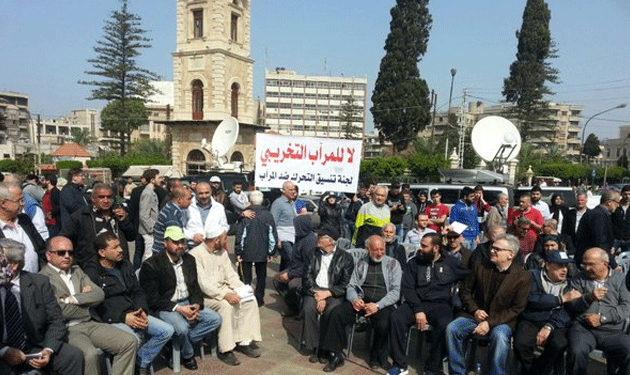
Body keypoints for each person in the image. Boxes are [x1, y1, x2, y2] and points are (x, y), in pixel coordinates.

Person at [40, 236, 138, 375]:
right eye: (61, 253)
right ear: (49, 255)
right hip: (68, 328)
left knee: (129, 342)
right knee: (89, 355)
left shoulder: (77, 271)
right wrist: (87, 302)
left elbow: (99, 294)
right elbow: (59, 311)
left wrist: (71, 299)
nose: (67, 256)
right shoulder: (43, 278)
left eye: (70, 252)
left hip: (90, 322)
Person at [89, 232, 174, 374]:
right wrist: (123, 317)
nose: (121, 250)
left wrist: (142, 309)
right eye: (115, 247)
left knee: (166, 331)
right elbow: (98, 306)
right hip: (113, 319)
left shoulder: (125, 265)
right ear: (102, 252)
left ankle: (140, 362)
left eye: (120, 246)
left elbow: (137, 291)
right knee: (133, 338)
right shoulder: (93, 273)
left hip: (134, 311)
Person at [446, 234, 531, 375]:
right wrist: (475, 310)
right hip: (476, 316)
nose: (492, 251)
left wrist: (489, 323)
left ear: (510, 255)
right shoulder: (481, 266)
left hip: (502, 321)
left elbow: (517, 309)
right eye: (492, 247)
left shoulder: (522, 277)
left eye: (497, 249)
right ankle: (457, 372)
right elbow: (465, 291)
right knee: (452, 329)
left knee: (500, 337)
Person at [139, 226, 221, 371]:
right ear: (165, 243)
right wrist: (179, 309)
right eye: (176, 242)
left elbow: (195, 288)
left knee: (215, 319)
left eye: (182, 242)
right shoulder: (152, 265)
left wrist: (196, 305)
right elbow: (152, 299)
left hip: (187, 301)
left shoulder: (189, 260)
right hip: (166, 306)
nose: (180, 246)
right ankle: (188, 355)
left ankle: (174, 346)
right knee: (181, 328)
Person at [388, 233, 469, 375]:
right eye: (421, 244)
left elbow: (469, 276)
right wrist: (418, 310)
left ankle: (432, 367)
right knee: (396, 317)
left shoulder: (451, 263)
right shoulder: (414, 262)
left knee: (445, 324)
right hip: (416, 302)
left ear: (436, 248)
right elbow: (408, 288)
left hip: (440, 304)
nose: (420, 248)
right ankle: (399, 364)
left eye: (424, 246)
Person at [0, 238, 84, 375]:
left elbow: (56, 320)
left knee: (73, 356)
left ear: (13, 265)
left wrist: (48, 350)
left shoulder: (39, 283)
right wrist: (4, 351)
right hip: (3, 349)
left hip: (33, 346)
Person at [319, 235, 402, 372]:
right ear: (367, 249)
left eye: (382, 249)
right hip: (362, 301)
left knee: (385, 323)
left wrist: (377, 305)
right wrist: (354, 299)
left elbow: (395, 292)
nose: (379, 252)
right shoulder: (360, 263)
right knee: (336, 314)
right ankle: (336, 354)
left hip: (382, 303)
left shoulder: (393, 264)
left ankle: (376, 355)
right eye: (375, 250)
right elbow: (351, 285)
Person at [190, 226, 263, 366]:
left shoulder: (221, 253)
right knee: (225, 305)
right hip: (205, 296)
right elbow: (203, 284)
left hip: (224, 289)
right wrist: (225, 295)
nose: (226, 241)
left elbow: (231, 275)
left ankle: (244, 341)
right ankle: (226, 349)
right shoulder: (196, 254)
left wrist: (242, 289)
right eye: (224, 238)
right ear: (216, 240)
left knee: (249, 301)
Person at [514, 250, 580, 375]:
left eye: (566, 266)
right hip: (531, 319)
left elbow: (569, 311)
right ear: (547, 265)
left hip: (556, 323)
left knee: (559, 344)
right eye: (560, 266)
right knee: (521, 344)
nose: (564, 270)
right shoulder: (532, 276)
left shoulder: (571, 283)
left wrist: (549, 326)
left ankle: (536, 371)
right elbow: (531, 299)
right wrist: (561, 299)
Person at [566, 247, 630, 375]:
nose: (586, 268)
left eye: (591, 264)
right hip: (583, 328)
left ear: (605, 264)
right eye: (584, 264)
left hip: (611, 330)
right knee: (577, 351)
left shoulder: (620, 279)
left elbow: (626, 306)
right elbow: (571, 305)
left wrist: (603, 319)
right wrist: (587, 299)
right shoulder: (579, 279)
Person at [302, 229, 354, 363]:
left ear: (330, 241)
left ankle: (326, 348)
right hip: (314, 291)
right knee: (308, 308)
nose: (317, 241)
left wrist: (327, 294)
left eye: (321, 239)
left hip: (333, 292)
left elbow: (345, 283)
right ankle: (315, 347)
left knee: (331, 311)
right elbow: (306, 278)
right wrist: (317, 294)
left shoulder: (345, 257)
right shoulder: (312, 254)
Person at [61, 183, 135, 272]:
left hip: (119, 267)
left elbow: (131, 236)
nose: (105, 200)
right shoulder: (81, 216)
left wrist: (123, 221)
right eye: (101, 197)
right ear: (93, 199)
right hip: (92, 268)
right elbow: (64, 238)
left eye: (109, 197)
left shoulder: (117, 215)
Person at [234, 190, 278, 306]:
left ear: (250, 201)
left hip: (246, 251)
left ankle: (246, 298)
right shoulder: (268, 215)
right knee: (261, 276)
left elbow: (240, 235)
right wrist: (271, 252)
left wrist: (238, 251)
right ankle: (259, 299)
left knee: (246, 277)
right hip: (262, 251)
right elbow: (272, 235)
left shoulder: (246, 215)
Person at [274, 215, 317, 317]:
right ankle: (292, 306)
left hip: (306, 273)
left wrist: (290, 275)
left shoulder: (310, 242)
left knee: (292, 284)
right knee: (277, 279)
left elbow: (308, 266)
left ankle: (299, 309)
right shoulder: (300, 237)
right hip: (296, 268)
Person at [0, 182, 46, 272]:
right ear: (3, 204)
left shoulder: (24, 220)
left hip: (36, 280)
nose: (23, 204)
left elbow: (41, 247)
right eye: (19, 200)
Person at [575, 190, 620, 268]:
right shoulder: (598, 216)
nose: (618, 205)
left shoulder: (598, 213)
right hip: (592, 261)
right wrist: (613, 264)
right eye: (617, 202)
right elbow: (600, 242)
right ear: (609, 202)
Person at [186, 181, 229, 248]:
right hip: (192, 246)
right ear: (195, 193)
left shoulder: (219, 207)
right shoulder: (187, 207)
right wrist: (192, 236)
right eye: (201, 193)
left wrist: (220, 235)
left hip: (213, 246)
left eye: (207, 193)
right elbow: (181, 228)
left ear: (211, 192)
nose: (204, 196)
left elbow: (224, 226)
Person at [151, 186, 193, 253]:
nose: (191, 202)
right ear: (179, 200)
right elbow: (175, 237)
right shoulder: (172, 213)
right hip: (163, 253)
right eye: (189, 199)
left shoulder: (170, 208)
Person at [271, 181, 298, 271]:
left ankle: (282, 282)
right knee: (291, 259)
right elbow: (273, 222)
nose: (293, 192)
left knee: (286, 261)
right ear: (283, 191)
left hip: (293, 236)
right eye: (290, 190)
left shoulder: (292, 203)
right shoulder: (278, 203)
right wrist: (277, 240)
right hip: (283, 238)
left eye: (294, 189)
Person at [137, 169, 162, 265]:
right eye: (158, 177)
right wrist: (151, 229)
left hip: (150, 230)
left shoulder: (151, 191)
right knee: (149, 255)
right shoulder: (148, 193)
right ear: (152, 180)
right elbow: (143, 214)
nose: (161, 180)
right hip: (148, 231)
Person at [612, 185, 630, 253]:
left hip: (628, 239)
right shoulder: (616, 206)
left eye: (629, 194)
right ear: (621, 194)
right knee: (610, 256)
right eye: (625, 194)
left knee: (627, 259)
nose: (627, 196)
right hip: (616, 238)